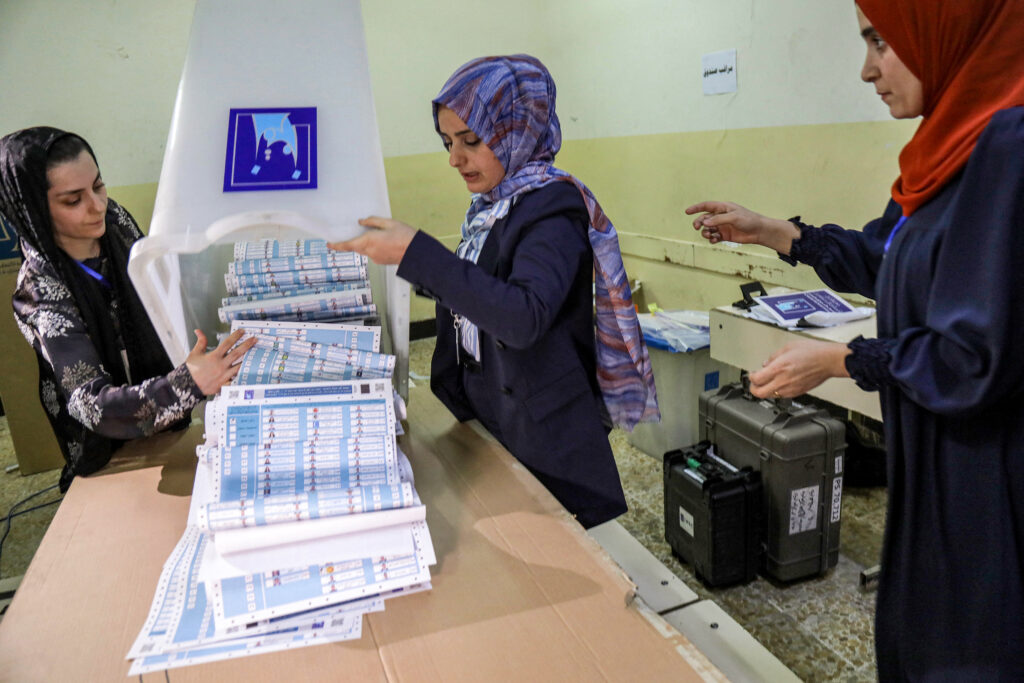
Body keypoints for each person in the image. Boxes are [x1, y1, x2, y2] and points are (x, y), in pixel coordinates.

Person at [687, 1, 1024, 678]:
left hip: (986, 463)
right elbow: (893, 256)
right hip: (933, 444)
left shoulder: (1010, 147)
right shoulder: (948, 146)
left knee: (976, 639)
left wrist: (844, 359)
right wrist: (783, 234)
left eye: (882, 42)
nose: (867, 69)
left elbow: (975, 357)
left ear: (947, 28)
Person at [331, 55, 659, 528]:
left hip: (541, 430)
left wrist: (416, 254)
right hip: (487, 405)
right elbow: (477, 292)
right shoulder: (492, 207)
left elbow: (523, 315)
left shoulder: (552, 207)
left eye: (471, 140)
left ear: (517, 129)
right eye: (447, 142)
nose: (454, 159)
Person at [0, 127, 256, 492]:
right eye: (73, 200)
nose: (98, 206)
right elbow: (91, 405)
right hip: (111, 449)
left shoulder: (114, 222)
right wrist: (188, 383)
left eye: (98, 186)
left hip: (164, 418)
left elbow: (159, 291)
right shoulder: (41, 294)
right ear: (33, 210)